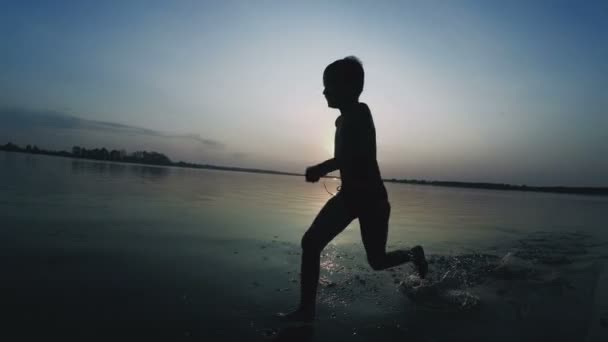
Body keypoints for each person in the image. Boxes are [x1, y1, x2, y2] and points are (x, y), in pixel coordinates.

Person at [279, 56, 428, 322]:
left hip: (372, 199)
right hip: (349, 197)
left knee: (377, 261)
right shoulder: (341, 120)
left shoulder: (360, 113)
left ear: (348, 87)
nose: (324, 91)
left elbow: (353, 156)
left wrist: (320, 168)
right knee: (311, 243)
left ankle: (412, 254)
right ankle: (306, 310)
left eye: (329, 85)